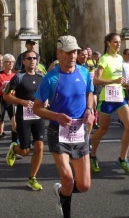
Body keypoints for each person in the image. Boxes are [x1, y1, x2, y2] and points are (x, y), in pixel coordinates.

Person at [33, 35, 94, 218]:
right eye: (68, 52)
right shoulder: (51, 78)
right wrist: (56, 116)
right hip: (58, 132)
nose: (72, 56)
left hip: (79, 132)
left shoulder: (84, 72)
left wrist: (89, 109)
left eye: (75, 51)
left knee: (84, 186)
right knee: (67, 179)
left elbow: (89, 92)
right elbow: (36, 108)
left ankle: (61, 192)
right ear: (59, 53)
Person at [90, 33, 129, 175]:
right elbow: (96, 80)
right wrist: (113, 81)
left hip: (119, 97)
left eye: (119, 42)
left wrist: (124, 85)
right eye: (115, 42)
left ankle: (123, 159)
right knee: (103, 130)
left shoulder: (120, 58)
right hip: (107, 99)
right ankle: (92, 155)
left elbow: (119, 78)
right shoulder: (104, 59)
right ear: (108, 43)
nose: (118, 44)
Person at [4, 50, 45, 191]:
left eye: (34, 58)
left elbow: (46, 93)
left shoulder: (41, 77)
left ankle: (32, 178)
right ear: (24, 61)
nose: (32, 60)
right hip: (23, 116)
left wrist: (46, 101)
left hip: (38, 115)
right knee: (25, 151)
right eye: (29, 58)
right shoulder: (18, 77)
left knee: (40, 147)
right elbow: (6, 96)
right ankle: (14, 149)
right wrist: (22, 102)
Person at [0, 53, 17, 159]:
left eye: (12, 62)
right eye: (8, 62)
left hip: (11, 100)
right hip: (1, 101)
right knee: (0, 129)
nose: (10, 64)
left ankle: (14, 149)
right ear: (4, 63)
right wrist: (2, 87)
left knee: (15, 126)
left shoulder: (15, 76)